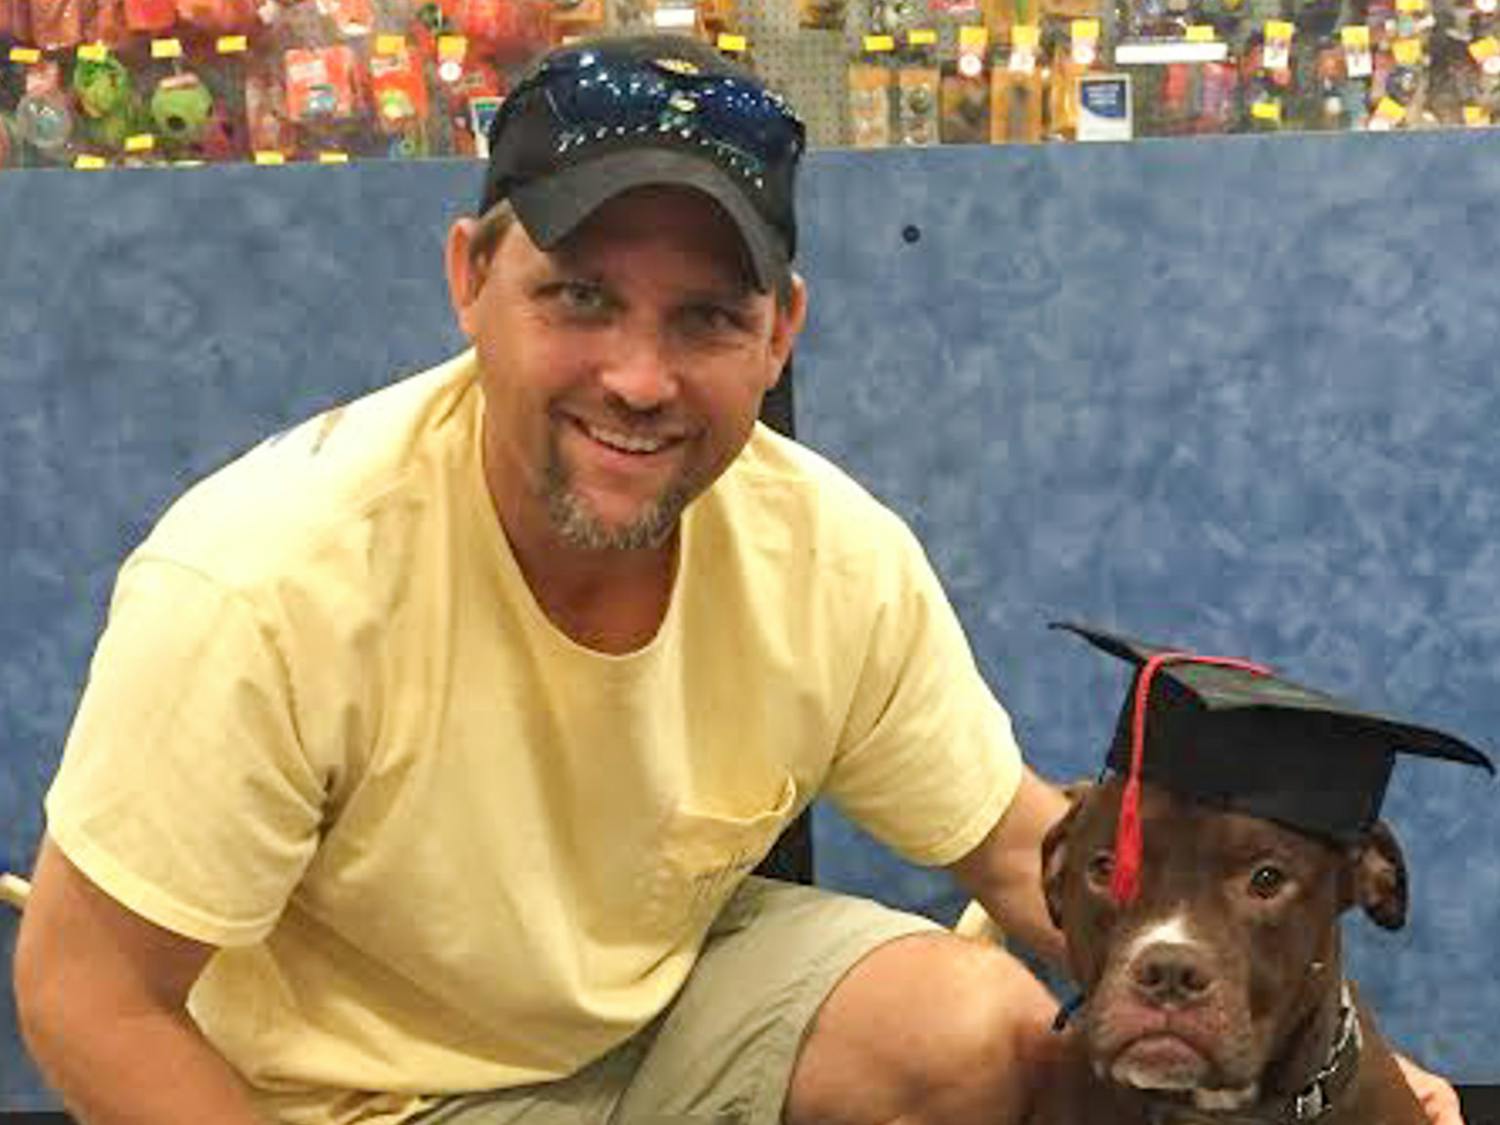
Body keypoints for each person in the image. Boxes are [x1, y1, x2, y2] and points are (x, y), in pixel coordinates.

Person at [12, 31, 1465, 1125]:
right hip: (371, 1090)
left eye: (707, 317)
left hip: (661, 1013)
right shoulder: (266, 579)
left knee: (975, 1034)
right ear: (468, 278)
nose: (638, 378)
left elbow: (1029, 852)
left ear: (781, 335)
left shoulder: (825, 553)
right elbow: (86, 991)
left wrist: (1377, 1078)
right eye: (580, 297)